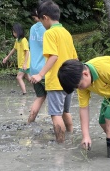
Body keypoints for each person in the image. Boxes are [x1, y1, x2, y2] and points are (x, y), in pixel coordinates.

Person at [58, 56, 110, 158]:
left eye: (79, 86)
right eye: (76, 87)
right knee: (102, 121)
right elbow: (84, 108)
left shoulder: (103, 69)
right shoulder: (82, 82)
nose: (79, 89)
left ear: (85, 74)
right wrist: (86, 136)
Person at [30, 0, 78, 143]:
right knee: (65, 112)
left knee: (55, 114)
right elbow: (75, 58)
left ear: (45, 17)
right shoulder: (66, 33)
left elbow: (53, 56)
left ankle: (60, 144)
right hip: (68, 81)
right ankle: (71, 136)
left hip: (56, 81)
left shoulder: (50, 33)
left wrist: (40, 74)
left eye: (40, 19)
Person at [27, 8, 47, 124]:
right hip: (45, 69)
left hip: (34, 69)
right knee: (57, 100)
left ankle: (30, 121)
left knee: (40, 97)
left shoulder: (32, 28)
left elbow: (31, 47)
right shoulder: (48, 29)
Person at [3, 23, 31, 95]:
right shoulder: (17, 40)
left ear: (18, 31)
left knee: (19, 77)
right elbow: (14, 49)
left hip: (24, 63)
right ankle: (40, 87)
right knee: (27, 77)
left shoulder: (23, 40)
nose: (13, 33)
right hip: (22, 62)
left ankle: (24, 93)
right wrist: (7, 57)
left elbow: (27, 52)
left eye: (14, 32)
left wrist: (25, 64)